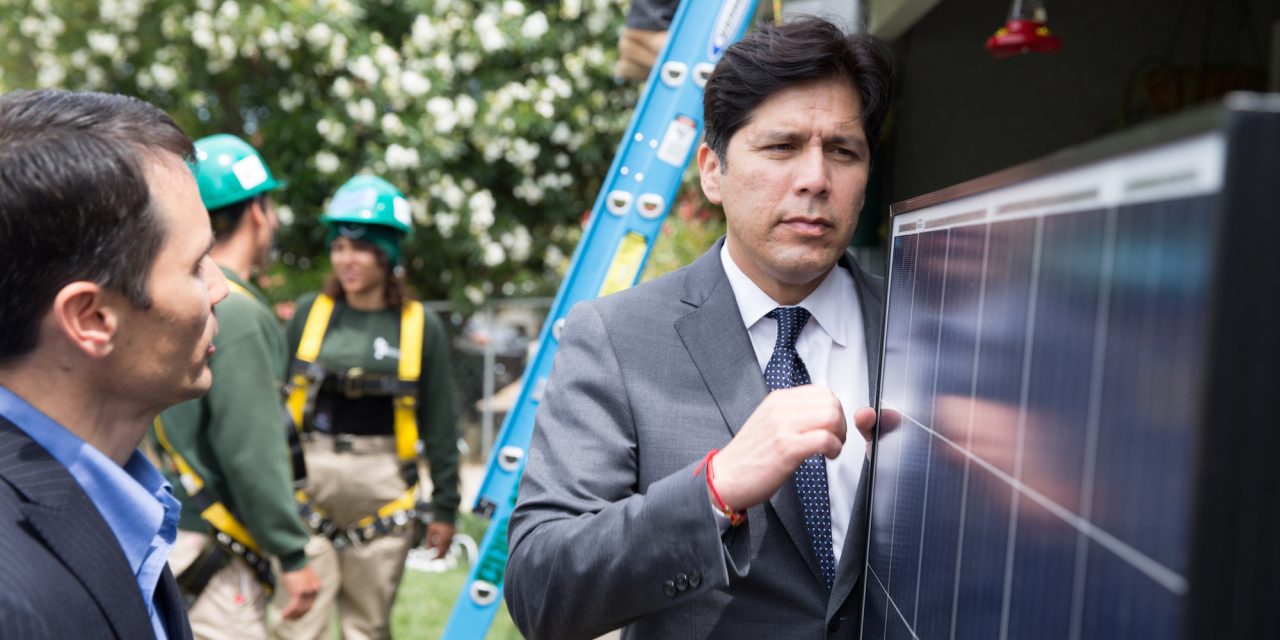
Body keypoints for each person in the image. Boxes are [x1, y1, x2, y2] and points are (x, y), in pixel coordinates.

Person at [506, 17, 893, 638]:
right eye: (781, 147)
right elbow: (541, 590)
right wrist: (713, 489)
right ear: (713, 170)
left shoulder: (922, 329)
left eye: (842, 151)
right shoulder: (617, 337)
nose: (816, 179)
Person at [0, 89, 224, 639]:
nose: (221, 288)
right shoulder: (12, 604)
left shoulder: (121, 496)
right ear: (92, 318)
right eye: (196, 265)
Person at [274, 175, 461, 640]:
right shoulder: (309, 314)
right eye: (338, 248)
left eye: (360, 249)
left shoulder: (419, 327)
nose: (346, 260)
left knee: (367, 630)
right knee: (296, 629)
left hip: (384, 491)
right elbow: (270, 404)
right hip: (305, 485)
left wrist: (445, 508)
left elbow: (440, 424)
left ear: (388, 254)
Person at [151, 134, 321, 639]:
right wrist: (292, 553)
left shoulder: (175, 294)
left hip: (176, 532)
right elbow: (252, 450)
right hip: (216, 548)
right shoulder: (238, 311)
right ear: (258, 213)